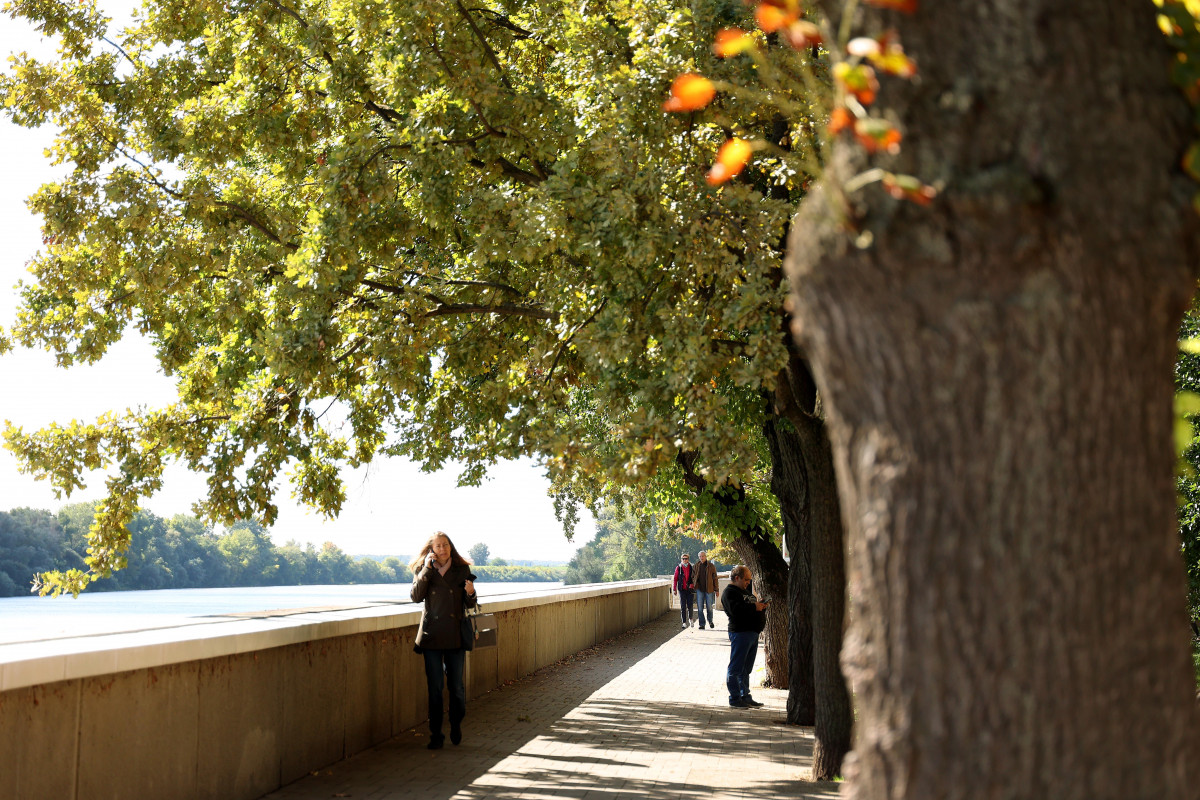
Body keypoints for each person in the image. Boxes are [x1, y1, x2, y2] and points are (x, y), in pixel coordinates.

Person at [410, 531, 477, 749]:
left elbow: (470, 604)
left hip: (455, 636)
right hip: (432, 637)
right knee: (435, 688)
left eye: (445, 545)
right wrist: (427, 571)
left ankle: (456, 724)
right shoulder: (424, 570)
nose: (442, 549)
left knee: (456, 687)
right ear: (431, 550)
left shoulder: (461, 570)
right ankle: (436, 734)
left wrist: (471, 592)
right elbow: (415, 597)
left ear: (450, 547)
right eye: (438, 546)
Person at [720, 564, 768, 708]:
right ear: (737, 578)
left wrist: (761, 607)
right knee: (736, 668)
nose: (748, 582)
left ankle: (745, 695)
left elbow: (751, 608)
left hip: (752, 633)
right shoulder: (730, 593)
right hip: (740, 633)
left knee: (745, 669)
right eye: (746, 579)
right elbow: (736, 610)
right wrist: (754, 607)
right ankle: (735, 698)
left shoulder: (745, 592)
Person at [693, 550, 719, 630]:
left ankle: (710, 621)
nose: (701, 558)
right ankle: (702, 624)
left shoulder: (711, 566)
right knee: (700, 608)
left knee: (709, 607)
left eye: (703, 556)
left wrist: (716, 589)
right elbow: (692, 576)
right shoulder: (696, 566)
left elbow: (715, 578)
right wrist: (695, 585)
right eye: (700, 556)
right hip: (699, 589)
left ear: (706, 556)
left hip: (709, 589)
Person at [672, 552, 696, 628]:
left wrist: (694, 585)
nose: (684, 560)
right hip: (682, 589)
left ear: (688, 560)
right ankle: (684, 622)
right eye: (683, 559)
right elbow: (675, 579)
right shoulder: (678, 568)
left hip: (690, 589)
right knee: (683, 606)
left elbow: (695, 578)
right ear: (681, 559)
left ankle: (691, 619)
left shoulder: (692, 567)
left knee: (690, 605)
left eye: (686, 559)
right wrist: (674, 589)